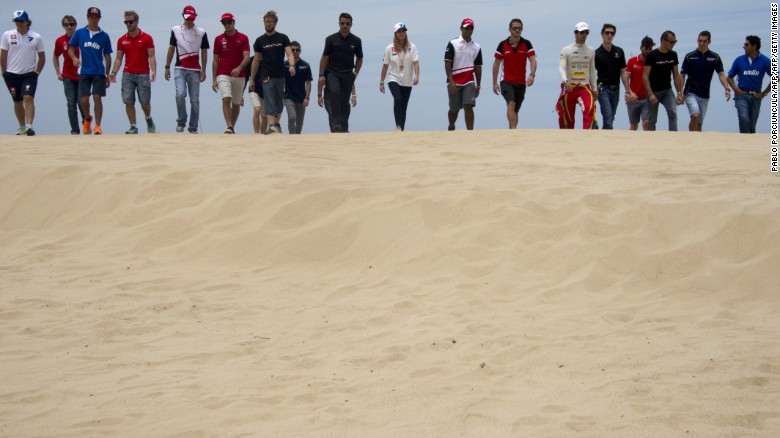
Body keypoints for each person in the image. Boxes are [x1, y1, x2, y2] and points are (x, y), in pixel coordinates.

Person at [109, 10, 156, 134]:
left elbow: (151, 56)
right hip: (128, 74)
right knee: (128, 100)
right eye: (126, 22)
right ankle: (133, 126)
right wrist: (113, 72)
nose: (128, 24)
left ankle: (148, 118)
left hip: (143, 74)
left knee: (145, 102)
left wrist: (153, 70)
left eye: (131, 22)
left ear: (136, 22)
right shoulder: (122, 40)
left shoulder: (147, 38)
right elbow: (119, 58)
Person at [165, 5, 208, 134]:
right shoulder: (175, 29)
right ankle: (181, 120)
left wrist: (203, 70)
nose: (190, 21)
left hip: (195, 70)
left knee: (194, 99)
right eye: (188, 18)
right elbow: (171, 48)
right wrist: (167, 66)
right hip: (180, 68)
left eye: (192, 19)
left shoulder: (201, 32)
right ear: (183, 16)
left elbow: (204, 51)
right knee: (180, 94)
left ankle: (193, 127)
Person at [68, 7, 112, 135]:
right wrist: (74, 58)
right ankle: (87, 118)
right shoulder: (80, 33)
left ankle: (98, 126)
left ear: (99, 18)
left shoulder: (104, 36)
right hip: (84, 70)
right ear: (87, 17)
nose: (94, 19)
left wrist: (107, 74)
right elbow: (70, 48)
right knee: (84, 99)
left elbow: (108, 55)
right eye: (91, 16)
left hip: (99, 71)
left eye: (96, 17)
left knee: (97, 97)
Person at [250, 10, 295, 135]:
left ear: (275, 23)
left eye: (270, 22)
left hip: (280, 74)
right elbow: (256, 60)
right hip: (266, 75)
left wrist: (291, 65)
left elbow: (289, 53)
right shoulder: (260, 41)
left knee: (279, 100)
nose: (268, 24)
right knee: (269, 99)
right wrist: (252, 78)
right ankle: (271, 125)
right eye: (266, 22)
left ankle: (276, 124)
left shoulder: (283, 38)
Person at [1, 10, 45, 135]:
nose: (19, 24)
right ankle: (21, 126)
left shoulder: (36, 37)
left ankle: (29, 125)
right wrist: (3, 71)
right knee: (17, 100)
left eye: (21, 21)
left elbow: (42, 57)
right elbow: (3, 54)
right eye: (16, 21)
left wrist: (37, 72)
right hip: (11, 73)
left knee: (28, 97)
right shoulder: (7, 35)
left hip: (29, 73)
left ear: (27, 22)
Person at [319, 12, 363, 133]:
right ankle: (337, 123)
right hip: (333, 72)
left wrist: (355, 74)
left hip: (348, 73)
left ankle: (344, 126)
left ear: (351, 24)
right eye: (342, 23)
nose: (344, 26)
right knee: (334, 92)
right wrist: (321, 74)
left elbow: (359, 58)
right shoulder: (330, 39)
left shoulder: (356, 40)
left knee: (344, 101)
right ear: (339, 24)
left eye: (347, 24)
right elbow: (324, 57)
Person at [679, 31, 731, 132]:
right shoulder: (689, 56)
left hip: (705, 95)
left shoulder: (714, 57)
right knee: (695, 115)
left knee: (699, 123)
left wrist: (727, 88)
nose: (701, 43)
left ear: (709, 42)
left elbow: (721, 74)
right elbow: (682, 75)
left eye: (704, 41)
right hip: (690, 92)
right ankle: (691, 138)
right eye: (700, 41)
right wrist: (680, 92)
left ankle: (698, 143)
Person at [492, 18, 535, 129]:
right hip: (506, 81)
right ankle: (512, 131)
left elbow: (532, 60)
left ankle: (514, 133)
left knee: (516, 109)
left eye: (519, 28)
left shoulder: (526, 44)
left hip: (520, 82)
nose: (517, 30)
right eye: (515, 28)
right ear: (509, 29)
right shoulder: (502, 45)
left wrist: (532, 75)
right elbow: (496, 64)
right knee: (511, 103)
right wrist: (494, 83)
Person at [212, 12, 250, 134]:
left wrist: (239, 68)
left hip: (239, 76)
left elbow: (247, 57)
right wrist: (214, 79)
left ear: (234, 22)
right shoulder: (218, 39)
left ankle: (232, 127)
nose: (227, 25)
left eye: (229, 22)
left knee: (236, 103)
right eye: (224, 23)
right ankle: (229, 125)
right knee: (226, 98)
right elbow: (215, 60)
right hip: (223, 73)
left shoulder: (243, 38)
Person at [556, 22, 598, 129]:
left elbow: (592, 71)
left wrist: (594, 88)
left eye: (586, 32)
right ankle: (568, 139)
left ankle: (587, 137)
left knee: (589, 109)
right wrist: (565, 82)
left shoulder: (591, 51)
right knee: (567, 116)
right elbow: (561, 68)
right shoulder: (566, 50)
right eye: (581, 32)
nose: (584, 35)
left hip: (584, 86)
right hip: (570, 86)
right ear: (575, 33)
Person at [727, 35, 771, 134]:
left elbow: (776, 77)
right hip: (742, 95)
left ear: (754, 46)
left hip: (756, 96)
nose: (744, 46)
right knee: (744, 119)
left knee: (751, 125)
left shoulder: (765, 60)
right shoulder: (739, 60)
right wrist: (736, 89)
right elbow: (729, 77)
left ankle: (749, 143)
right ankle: (744, 141)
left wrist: (764, 93)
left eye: (746, 44)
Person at [380, 22, 419, 131]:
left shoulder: (412, 47)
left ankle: (401, 129)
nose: (401, 33)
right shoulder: (389, 48)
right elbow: (385, 66)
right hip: (393, 78)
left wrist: (417, 76)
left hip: (407, 81)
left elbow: (416, 62)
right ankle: (398, 125)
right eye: (399, 32)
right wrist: (381, 82)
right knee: (398, 99)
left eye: (403, 31)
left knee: (404, 106)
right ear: (395, 33)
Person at [445, 18, 482, 131]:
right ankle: (451, 126)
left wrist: (478, 85)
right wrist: (451, 80)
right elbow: (447, 63)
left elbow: (478, 67)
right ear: (461, 28)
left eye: (471, 28)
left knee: (468, 106)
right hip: (455, 81)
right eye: (466, 28)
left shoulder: (477, 47)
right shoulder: (453, 43)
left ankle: (469, 133)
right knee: (454, 109)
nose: (468, 30)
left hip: (469, 81)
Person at [643, 30, 683, 131]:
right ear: (663, 41)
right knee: (652, 120)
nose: (673, 44)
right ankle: (652, 141)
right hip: (654, 91)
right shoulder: (652, 55)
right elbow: (645, 76)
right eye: (671, 42)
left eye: (675, 42)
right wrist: (650, 94)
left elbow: (676, 75)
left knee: (673, 113)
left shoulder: (673, 55)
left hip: (667, 90)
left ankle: (673, 137)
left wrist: (679, 92)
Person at [53, 14, 85, 135]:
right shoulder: (60, 40)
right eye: (67, 25)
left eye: (72, 24)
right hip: (68, 76)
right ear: (63, 26)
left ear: (76, 25)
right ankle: (75, 130)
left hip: (82, 75)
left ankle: (86, 126)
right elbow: (55, 56)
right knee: (71, 104)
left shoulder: (82, 38)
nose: (69, 27)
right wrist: (58, 72)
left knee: (82, 103)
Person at [594, 23, 629, 130]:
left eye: (612, 33)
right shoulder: (596, 53)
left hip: (616, 89)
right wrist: (594, 89)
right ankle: (608, 139)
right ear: (602, 34)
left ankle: (605, 137)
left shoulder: (619, 51)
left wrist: (628, 90)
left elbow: (623, 72)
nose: (609, 35)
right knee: (608, 116)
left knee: (611, 116)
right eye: (607, 33)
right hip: (602, 88)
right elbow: (592, 72)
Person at [625, 36, 654, 131]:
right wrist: (629, 92)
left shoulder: (653, 63)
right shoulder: (632, 61)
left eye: (650, 48)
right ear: (641, 48)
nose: (648, 50)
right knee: (633, 125)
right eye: (646, 48)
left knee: (646, 122)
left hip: (646, 98)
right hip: (634, 98)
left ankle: (647, 143)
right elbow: (626, 78)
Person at [284, 41, 312, 134]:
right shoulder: (284, 65)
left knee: (299, 123)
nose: (295, 51)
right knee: (292, 117)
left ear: (300, 51)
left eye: (297, 50)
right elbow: (280, 82)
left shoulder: (305, 65)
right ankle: (292, 137)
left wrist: (307, 97)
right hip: (288, 97)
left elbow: (308, 83)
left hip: (301, 98)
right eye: (292, 50)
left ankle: (297, 139)